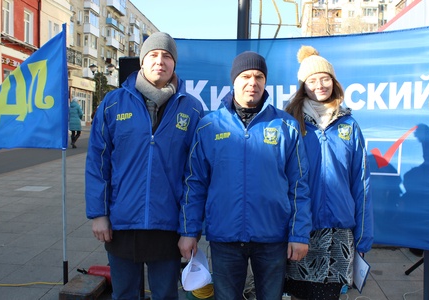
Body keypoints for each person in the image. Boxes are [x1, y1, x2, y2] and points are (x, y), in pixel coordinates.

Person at [178, 51, 312, 300]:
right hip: (225, 236)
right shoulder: (210, 126)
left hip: (272, 236)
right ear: (234, 80)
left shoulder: (285, 126)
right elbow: (194, 183)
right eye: (246, 76)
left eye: (259, 76)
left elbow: (299, 187)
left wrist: (299, 234)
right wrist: (189, 231)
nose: (253, 82)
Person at [85, 32, 204, 300]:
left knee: (165, 295)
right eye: (153, 55)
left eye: (167, 56)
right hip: (122, 223)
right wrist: (98, 214)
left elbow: (195, 176)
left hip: (168, 225)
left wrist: (190, 229)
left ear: (174, 64)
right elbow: (97, 163)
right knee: (124, 294)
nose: (160, 61)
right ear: (142, 61)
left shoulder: (192, 109)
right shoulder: (113, 104)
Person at [284, 45, 373, 300]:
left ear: (334, 82)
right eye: (312, 80)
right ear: (303, 86)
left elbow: (361, 183)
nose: (320, 85)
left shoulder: (349, 125)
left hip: (339, 235)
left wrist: (363, 238)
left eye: (325, 78)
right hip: (300, 230)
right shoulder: (290, 122)